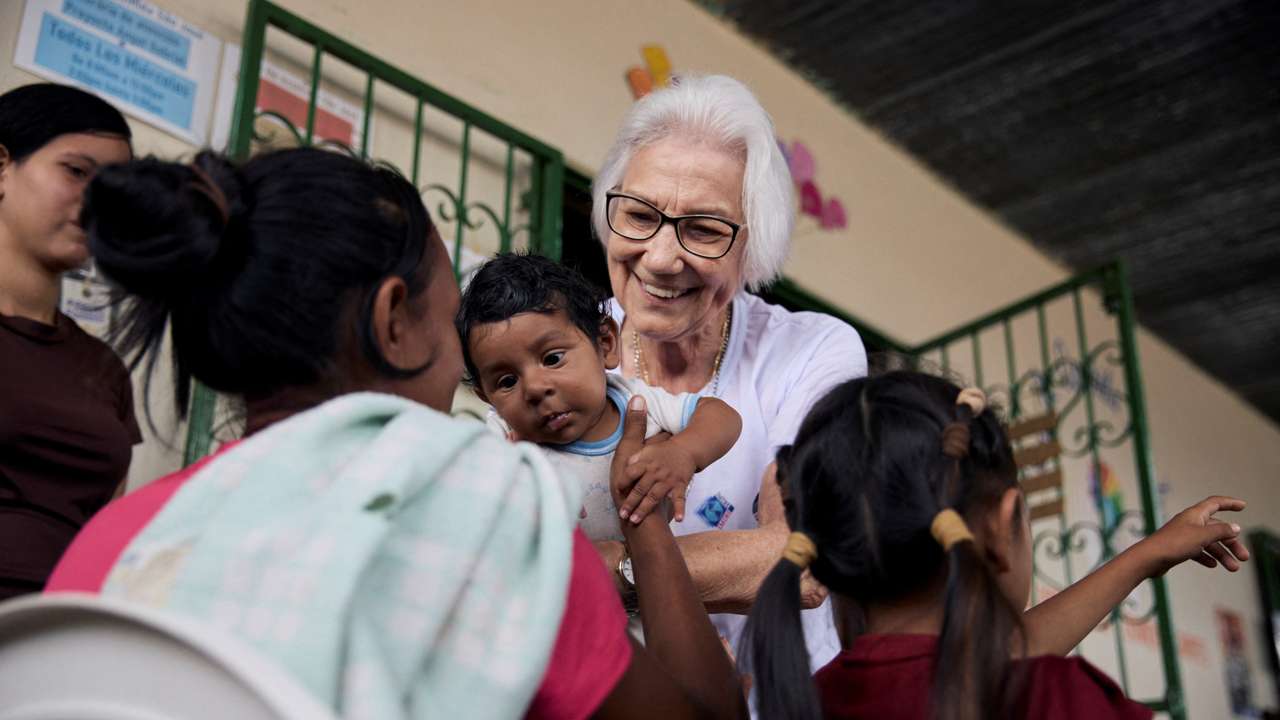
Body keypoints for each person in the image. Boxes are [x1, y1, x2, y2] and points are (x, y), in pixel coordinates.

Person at [45, 147, 747, 720]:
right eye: (449, 321)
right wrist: (645, 523)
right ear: (393, 322)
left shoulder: (115, 542)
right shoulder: (485, 519)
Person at [743, 370, 1251, 719]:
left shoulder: (808, 700)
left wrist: (1145, 555)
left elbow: (971, 657)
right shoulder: (1058, 698)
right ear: (1003, 522)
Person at [591, 73, 866, 667]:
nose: (661, 258)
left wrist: (610, 573)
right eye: (638, 215)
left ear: (752, 248)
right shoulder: (566, 348)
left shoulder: (810, 352)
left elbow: (801, 560)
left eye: (703, 229)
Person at [457, 252, 742, 554]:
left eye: (552, 359)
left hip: (646, 574)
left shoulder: (636, 403)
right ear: (486, 396)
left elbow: (722, 417)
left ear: (605, 343)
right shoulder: (504, 437)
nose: (535, 389)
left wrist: (683, 452)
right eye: (507, 381)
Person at [0, 83, 137, 600]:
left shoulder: (105, 369)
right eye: (77, 171)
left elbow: (105, 534)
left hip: (61, 628)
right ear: (2, 167)